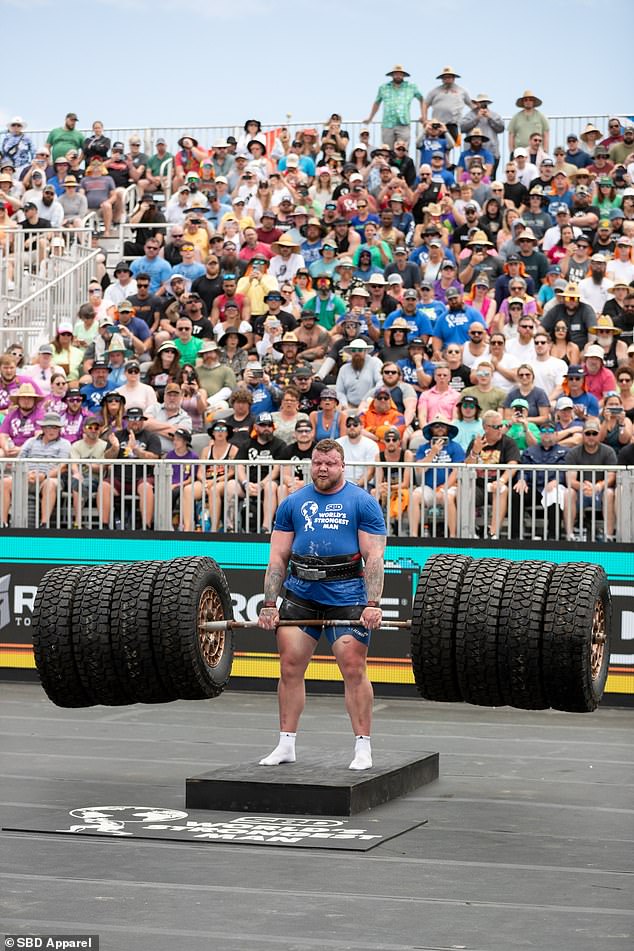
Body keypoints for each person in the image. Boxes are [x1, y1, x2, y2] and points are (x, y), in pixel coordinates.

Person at [257, 438, 386, 770]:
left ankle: (363, 747)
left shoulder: (363, 502)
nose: (323, 468)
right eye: (317, 462)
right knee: (289, 667)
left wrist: (373, 602)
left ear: (342, 466)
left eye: (329, 463)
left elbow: (373, 558)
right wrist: (270, 603)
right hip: (302, 594)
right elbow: (277, 558)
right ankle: (286, 744)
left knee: (353, 669)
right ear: (310, 464)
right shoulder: (292, 504)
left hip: (347, 596)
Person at [564, 418, 617, 542]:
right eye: (588, 433)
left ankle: (608, 536)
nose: (591, 436)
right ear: (583, 435)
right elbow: (570, 480)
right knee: (568, 493)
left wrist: (597, 486)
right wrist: (584, 486)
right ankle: (569, 535)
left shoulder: (608, 452)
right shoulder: (573, 453)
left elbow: (611, 476)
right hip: (581, 492)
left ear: (599, 435)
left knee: (609, 493)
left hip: (600, 492)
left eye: (594, 433)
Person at [363, 64, 424, 148]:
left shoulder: (411, 87)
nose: (398, 76)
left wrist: (424, 116)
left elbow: (422, 99)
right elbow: (377, 103)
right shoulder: (383, 87)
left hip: (404, 124)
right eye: (396, 73)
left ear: (403, 75)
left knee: (402, 149)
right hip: (387, 124)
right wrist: (370, 118)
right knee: (387, 151)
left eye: (400, 74)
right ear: (392, 75)